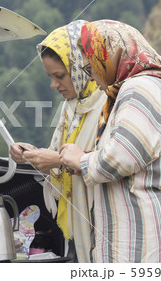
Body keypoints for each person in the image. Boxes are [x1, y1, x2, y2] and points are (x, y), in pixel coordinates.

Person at [59, 20, 161, 263]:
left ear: (109, 54)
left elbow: (123, 157)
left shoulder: (139, 88)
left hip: (154, 236)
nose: (93, 77)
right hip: (157, 232)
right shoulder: (156, 86)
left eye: (91, 66)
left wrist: (82, 160)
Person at [9, 20, 106, 262]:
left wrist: (55, 160)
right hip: (75, 224)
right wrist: (32, 154)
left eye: (60, 76)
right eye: (50, 77)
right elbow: (60, 154)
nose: (54, 85)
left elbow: (107, 162)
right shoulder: (70, 108)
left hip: (101, 221)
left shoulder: (108, 103)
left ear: (80, 67)